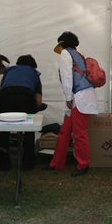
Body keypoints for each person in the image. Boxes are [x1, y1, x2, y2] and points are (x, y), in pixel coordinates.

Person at [44, 31, 97, 177]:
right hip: (82, 96)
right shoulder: (79, 55)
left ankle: (83, 164)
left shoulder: (65, 54)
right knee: (65, 131)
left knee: (79, 134)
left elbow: (67, 77)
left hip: (77, 98)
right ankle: (57, 162)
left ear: (61, 44)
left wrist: (68, 97)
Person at [0, 54, 43, 171]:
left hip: (6, 96)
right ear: (32, 65)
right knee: (29, 130)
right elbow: (38, 101)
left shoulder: (9, 71)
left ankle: (4, 164)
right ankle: (27, 164)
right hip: (26, 96)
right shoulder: (34, 73)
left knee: (3, 130)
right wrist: (34, 108)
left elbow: (2, 88)